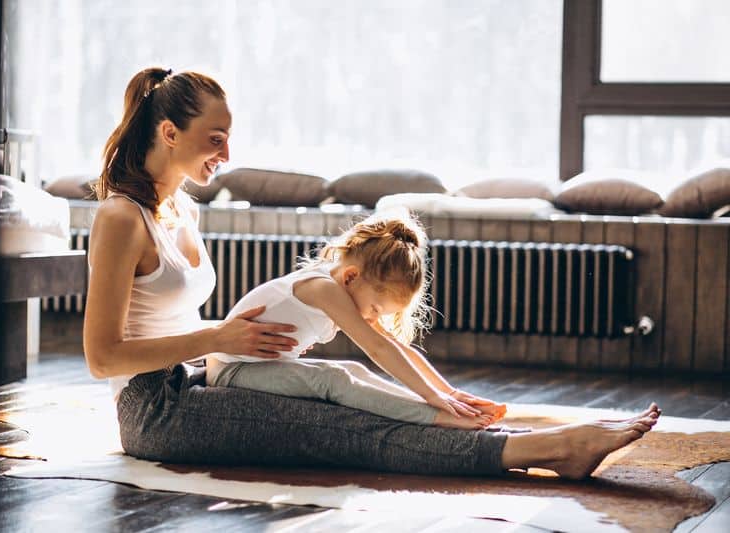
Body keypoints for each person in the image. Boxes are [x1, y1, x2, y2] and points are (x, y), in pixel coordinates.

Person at [83, 66, 661, 480]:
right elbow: (102, 358)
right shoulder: (120, 218)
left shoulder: (184, 208)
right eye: (216, 139)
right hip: (154, 409)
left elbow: (376, 344)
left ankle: (519, 441)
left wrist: (226, 347)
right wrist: (218, 337)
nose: (227, 154)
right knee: (345, 429)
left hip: (200, 377)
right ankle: (543, 449)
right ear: (168, 133)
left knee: (345, 397)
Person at [205, 209, 508, 430]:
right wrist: (433, 398)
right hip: (232, 370)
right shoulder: (323, 287)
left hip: (258, 364)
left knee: (351, 369)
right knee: (334, 380)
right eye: (375, 308)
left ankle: (437, 410)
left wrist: (448, 393)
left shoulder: (342, 285)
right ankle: (436, 418)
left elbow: (394, 345)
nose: (372, 316)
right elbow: (377, 349)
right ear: (351, 277)